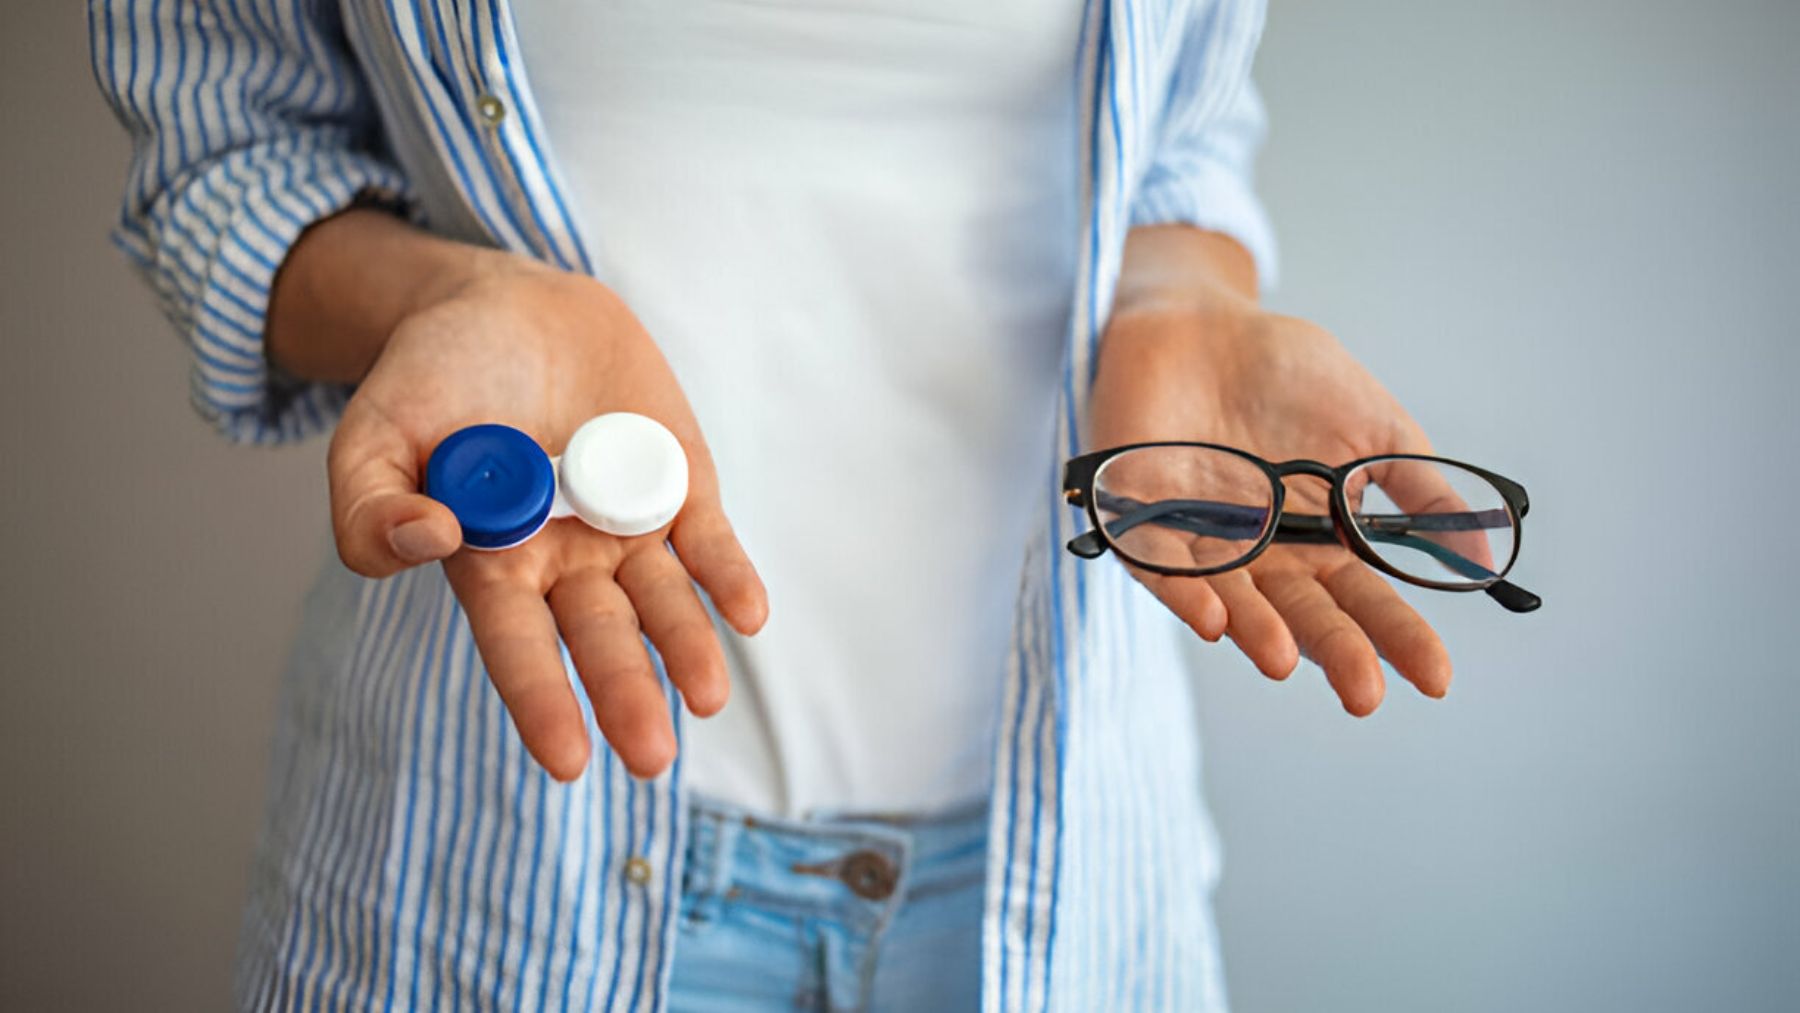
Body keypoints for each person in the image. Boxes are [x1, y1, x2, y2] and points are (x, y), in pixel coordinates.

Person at [91, 0, 1454, 1009]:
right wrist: (442, 295)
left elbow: (1184, 135)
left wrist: (1180, 297)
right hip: (499, 876)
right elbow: (227, 151)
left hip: (1054, 884)